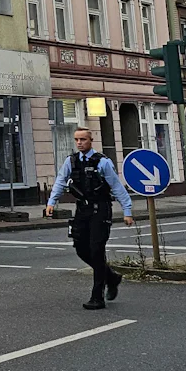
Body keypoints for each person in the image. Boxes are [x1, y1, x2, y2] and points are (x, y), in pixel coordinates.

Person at [46, 128, 134, 310]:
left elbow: (116, 186)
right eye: (77, 140)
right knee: (81, 249)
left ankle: (97, 297)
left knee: (96, 250)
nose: (79, 143)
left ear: (91, 140)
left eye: (83, 139)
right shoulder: (71, 161)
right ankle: (111, 277)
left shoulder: (102, 162)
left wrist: (127, 211)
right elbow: (61, 181)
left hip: (100, 209)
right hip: (82, 210)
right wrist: (51, 202)